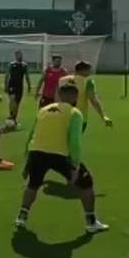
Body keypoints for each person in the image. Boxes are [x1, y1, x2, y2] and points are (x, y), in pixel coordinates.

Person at [15, 82, 109, 233]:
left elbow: (32, 134)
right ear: (75, 97)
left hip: (36, 152)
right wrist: (75, 166)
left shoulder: (43, 110)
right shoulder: (74, 113)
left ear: (58, 95)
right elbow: (75, 143)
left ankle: (22, 217)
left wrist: (27, 159)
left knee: (33, 184)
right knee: (86, 183)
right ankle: (91, 222)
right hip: (59, 154)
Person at [58, 61, 111, 131]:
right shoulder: (88, 82)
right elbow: (93, 100)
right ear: (83, 70)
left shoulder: (61, 80)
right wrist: (103, 116)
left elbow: (56, 98)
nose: (90, 73)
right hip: (79, 117)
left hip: (62, 117)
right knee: (74, 140)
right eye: (88, 70)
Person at [4, 50, 32, 126]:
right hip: (12, 85)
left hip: (20, 86)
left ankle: (14, 119)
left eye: (20, 55)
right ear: (15, 56)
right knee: (12, 100)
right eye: (17, 55)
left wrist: (29, 86)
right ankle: (11, 116)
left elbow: (27, 76)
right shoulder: (11, 64)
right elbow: (7, 75)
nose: (19, 56)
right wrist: (5, 86)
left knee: (17, 103)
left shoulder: (24, 65)